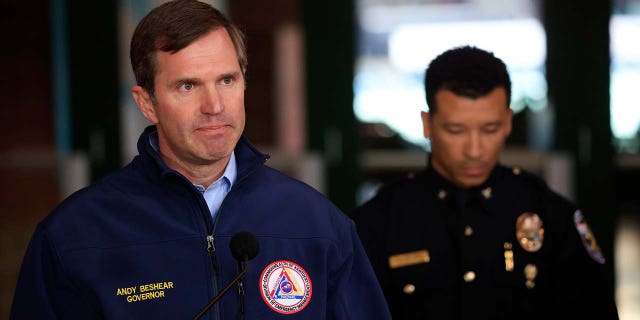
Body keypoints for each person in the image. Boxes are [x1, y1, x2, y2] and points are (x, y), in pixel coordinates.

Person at [10, 1, 390, 319]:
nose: (214, 106)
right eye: (187, 86)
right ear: (147, 103)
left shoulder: (318, 223)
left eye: (226, 80)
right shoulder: (73, 236)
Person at [353, 46, 619, 319]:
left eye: (490, 129)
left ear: (507, 123)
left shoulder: (550, 215)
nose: (475, 150)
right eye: (456, 130)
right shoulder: (382, 221)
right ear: (428, 124)